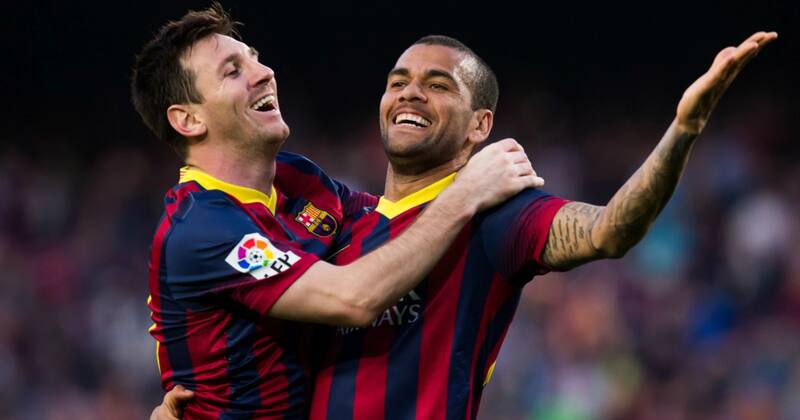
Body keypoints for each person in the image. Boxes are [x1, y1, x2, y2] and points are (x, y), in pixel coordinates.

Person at [151, 12, 777, 420]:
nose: (410, 92)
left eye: (439, 84)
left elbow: (612, 228)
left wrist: (682, 130)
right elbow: (347, 297)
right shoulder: (309, 227)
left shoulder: (492, 220)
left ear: (481, 126)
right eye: (398, 80)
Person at [132, 4, 542, 419]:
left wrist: (509, 210)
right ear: (188, 119)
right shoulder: (199, 229)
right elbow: (354, 297)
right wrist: (466, 191)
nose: (264, 72)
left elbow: (396, 219)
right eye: (233, 71)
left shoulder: (298, 179)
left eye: (255, 58)